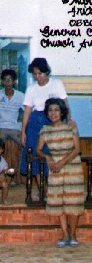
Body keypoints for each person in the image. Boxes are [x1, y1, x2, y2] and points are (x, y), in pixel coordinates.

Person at [19, 58, 73, 200]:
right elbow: (27, 112)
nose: (38, 77)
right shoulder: (31, 88)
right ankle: (43, 191)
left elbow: (65, 105)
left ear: (47, 71)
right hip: (35, 124)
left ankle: (54, 191)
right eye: (35, 74)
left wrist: (68, 122)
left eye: (41, 73)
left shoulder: (57, 84)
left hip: (52, 121)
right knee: (36, 156)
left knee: (53, 155)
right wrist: (23, 131)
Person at [37, 98, 84, 248]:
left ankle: (73, 234)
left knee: (73, 201)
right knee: (59, 203)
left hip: (72, 167)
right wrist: (48, 157)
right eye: (50, 110)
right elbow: (38, 150)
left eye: (56, 110)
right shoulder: (45, 130)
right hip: (55, 168)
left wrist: (62, 163)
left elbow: (77, 149)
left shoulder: (71, 127)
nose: (53, 113)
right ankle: (64, 234)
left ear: (62, 112)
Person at [0, 69, 24, 185]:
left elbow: (26, 114)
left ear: (14, 82)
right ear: (2, 81)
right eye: (5, 80)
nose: (7, 82)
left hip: (15, 128)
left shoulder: (20, 96)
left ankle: (19, 176)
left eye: (10, 80)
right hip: (1, 128)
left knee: (27, 147)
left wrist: (22, 130)